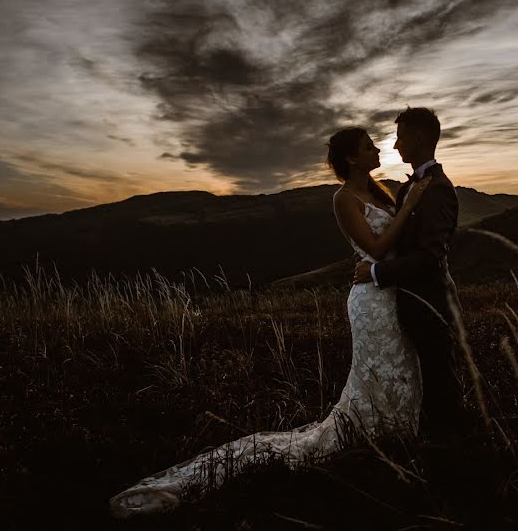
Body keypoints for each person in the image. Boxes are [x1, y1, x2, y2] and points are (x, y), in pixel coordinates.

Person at [108, 126, 431, 518]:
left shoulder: (379, 190)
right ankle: (375, 439)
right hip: (371, 302)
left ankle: (397, 437)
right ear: (351, 158)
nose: (377, 148)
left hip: (391, 292)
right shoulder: (343, 198)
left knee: (402, 366)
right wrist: (410, 205)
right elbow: (377, 248)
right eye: (368, 146)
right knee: (378, 369)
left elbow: (397, 246)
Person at [353, 107, 466, 444]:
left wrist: (375, 271)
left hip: (430, 305)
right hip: (409, 304)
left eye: (401, 138)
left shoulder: (437, 189)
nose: (396, 146)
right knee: (421, 382)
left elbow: (431, 258)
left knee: (440, 385)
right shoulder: (412, 188)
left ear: (418, 139)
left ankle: (452, 454)